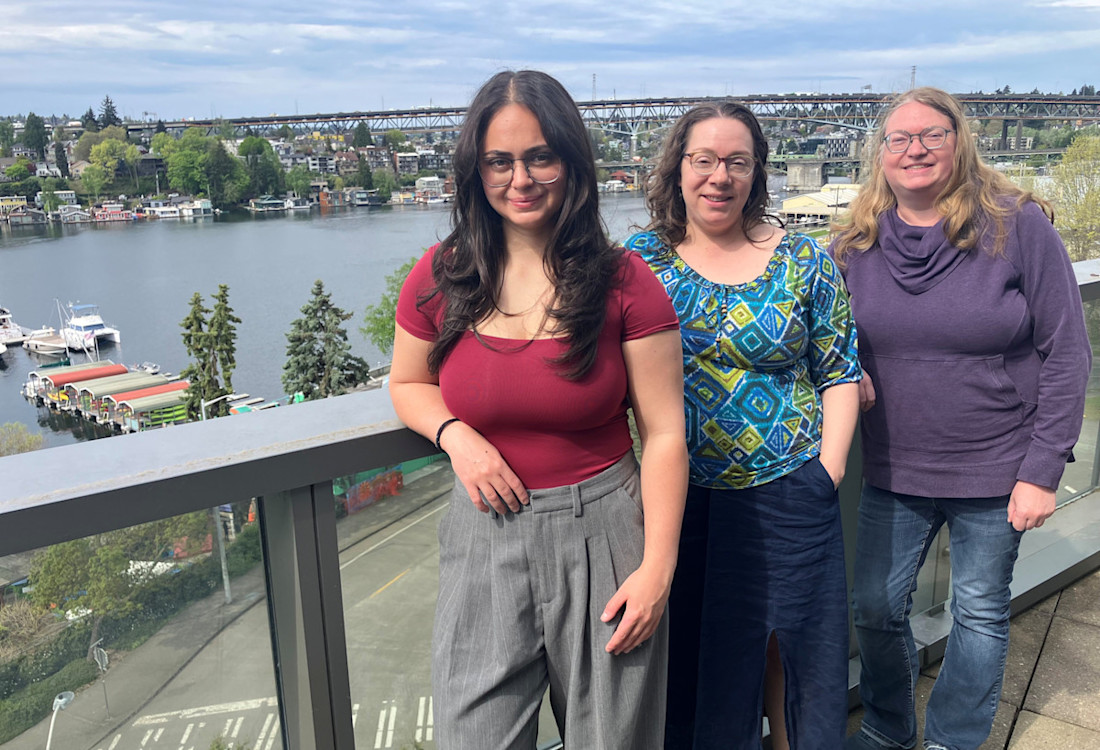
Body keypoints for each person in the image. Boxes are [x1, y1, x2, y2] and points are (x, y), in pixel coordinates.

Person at [389, 70, 688, 750]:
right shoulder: (442, 274)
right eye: (499, 161)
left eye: (539, 157)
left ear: (571, 163)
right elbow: (407, 383)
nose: (519, 179)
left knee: (614, 739)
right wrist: (455, 436)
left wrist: (656, 571)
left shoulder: (624, 281)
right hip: (482, 537)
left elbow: (666, 434)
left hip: (604, 535)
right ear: (476, 171)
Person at [831, 87, 1091, 750]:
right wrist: (848, 366)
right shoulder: (855, 241)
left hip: (998, 466)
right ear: (880, 154)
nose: (914, 149)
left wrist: (1042, 470)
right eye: (899, 138)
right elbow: (824, 333)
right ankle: (888, 728)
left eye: (932, 135)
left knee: (978, 612)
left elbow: (1067, 351)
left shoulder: (1016, 226)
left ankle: (953, 739)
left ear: (960, 143)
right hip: (893, 466)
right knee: (875, 608)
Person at [626, 101, 862, 749]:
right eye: (703, 160)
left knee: (793, 651)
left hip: (791, 489)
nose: (719, 176)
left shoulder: (804, 260)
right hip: (681, 497)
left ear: (757, 173)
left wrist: (829, 471)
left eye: (737, 162)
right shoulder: (640, 262)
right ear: (678, 169)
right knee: (693, 656)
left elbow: (841, 370)